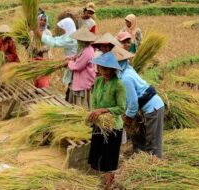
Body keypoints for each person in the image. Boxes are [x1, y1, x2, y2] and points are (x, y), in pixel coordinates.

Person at [112, 46, 164, 159]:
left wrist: (128, 117)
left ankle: (155, 168)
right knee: (144, 139)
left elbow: (133, 102)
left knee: (153, 143)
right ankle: (145, 163)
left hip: (153, 108)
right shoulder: (128, 69)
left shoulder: (126, 77)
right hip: (147, 108)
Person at [88, 51, 126, 190]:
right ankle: (103, 181)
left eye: (109, 69)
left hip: (113, 127)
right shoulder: (98, 81)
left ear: (114, 69)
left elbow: (121, 108)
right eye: (103, 68)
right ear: (98, 68)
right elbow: (94, 101)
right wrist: (93, 113)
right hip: (99, 124)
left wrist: (103, 110)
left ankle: (109, 185)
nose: (105, 71)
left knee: (110, 158)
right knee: (98, 154)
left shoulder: (119, 85)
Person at [37, 17, 77, 88]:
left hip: (73, 62)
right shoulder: (69, 35)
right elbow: (56, 39)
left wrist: (41, 35)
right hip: (69, 60)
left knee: (74, 82)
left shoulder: (71, 38)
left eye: (64, 28)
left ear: (68, 27)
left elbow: (54, 42)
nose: (63, 30)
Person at [63, 27, 96, 108]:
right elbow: (78, 56)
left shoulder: (88, 51)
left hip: (83, 84)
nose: (78, 41)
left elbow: (78, 66)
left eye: (79, 40)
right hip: (80, 81)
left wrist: (69, 63)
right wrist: (71, 58)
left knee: (80, 107)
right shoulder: (84, 48)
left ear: (83, 41)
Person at [33, 13, 53, 88]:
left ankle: (44, 90)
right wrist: (33, 47)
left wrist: (39, 48)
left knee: (43, 76)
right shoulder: (33, 32)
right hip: (35, 58)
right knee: (36, 75)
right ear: (38, 20)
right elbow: (31, 44)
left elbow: (49, 45)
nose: (42, 22)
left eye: (44, 20)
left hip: (45, 58)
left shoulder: (48, 32)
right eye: (41, 20)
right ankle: (36, 90)